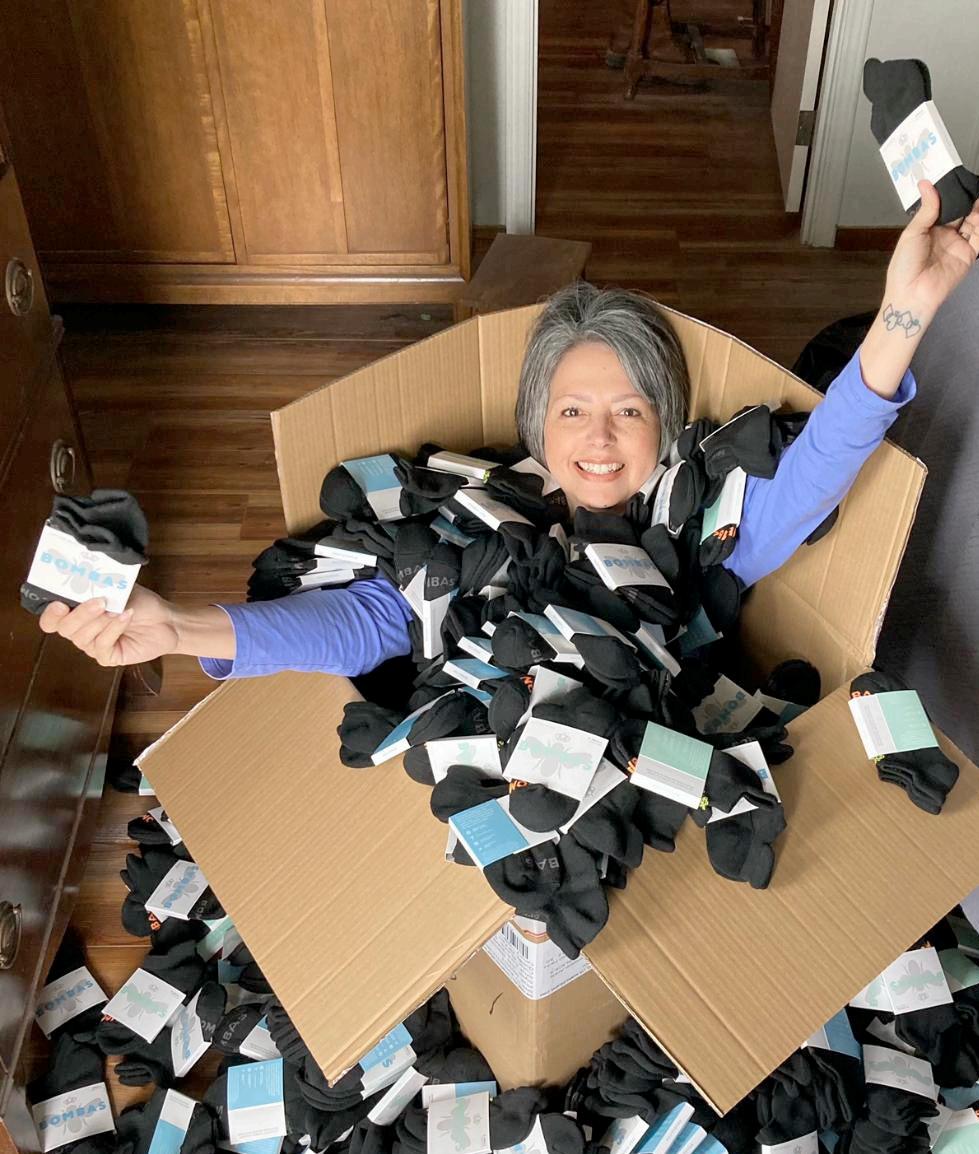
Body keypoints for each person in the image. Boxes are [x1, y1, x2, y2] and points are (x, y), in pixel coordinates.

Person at [40, 180, 979, 682]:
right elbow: (368, 621)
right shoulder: (480, 510)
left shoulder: (709, 522)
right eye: (572, 410)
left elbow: (817, 467)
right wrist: (181, 627)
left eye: (628, 410)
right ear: (535, 424)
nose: (599, 438)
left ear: (665, 424)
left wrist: (904, 312)